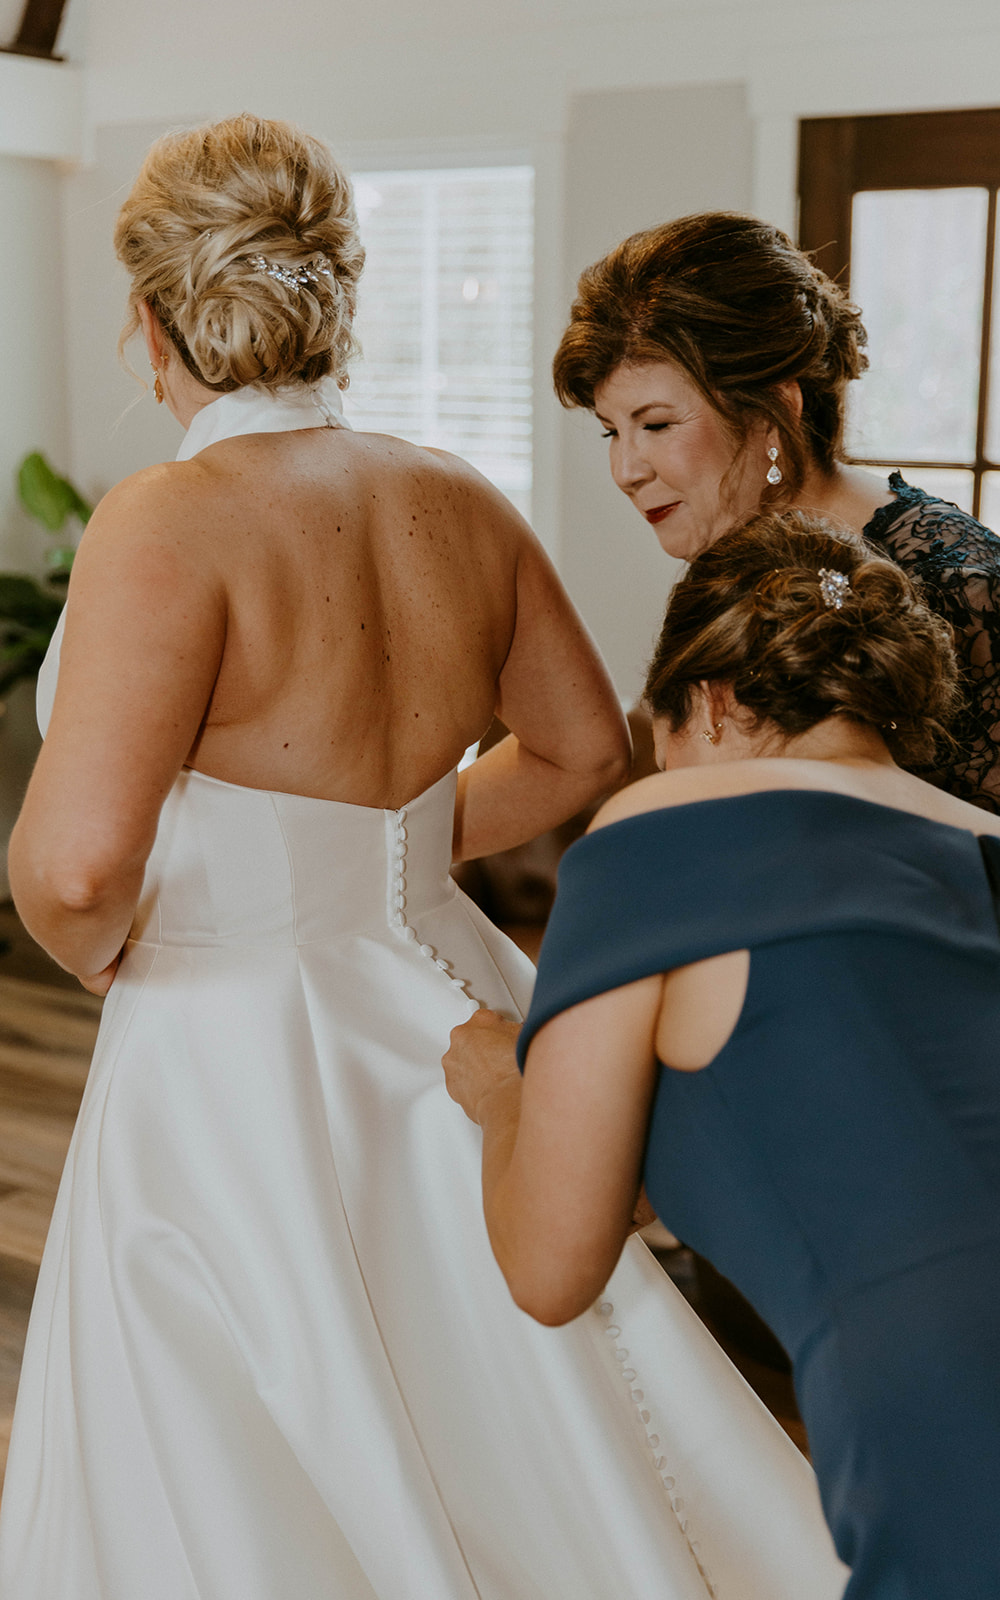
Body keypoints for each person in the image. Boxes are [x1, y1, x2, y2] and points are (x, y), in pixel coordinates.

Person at [0, 116, 848, 1600]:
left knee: (253, 1441)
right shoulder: (455, 493)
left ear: (151, 324)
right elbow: (588, 752)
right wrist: (374, 862)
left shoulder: (166, 520)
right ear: (336, 291)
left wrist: (140, 939)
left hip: (231, 1037)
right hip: (446, 996)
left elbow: (75, 875)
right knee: (507, 1395)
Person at [443, 509, 1000, 1600]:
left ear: (714, 702)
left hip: (977, 1433)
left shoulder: (662, 826)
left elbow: (550, 1267)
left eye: (660, 728)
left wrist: (506, 1095)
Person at [552, 211, 1000, 834]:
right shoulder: (734, 556)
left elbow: (961, 877)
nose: (625, 469)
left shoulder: (961, 590)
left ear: (776, 406)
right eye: (612, 430)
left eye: (656, 424)